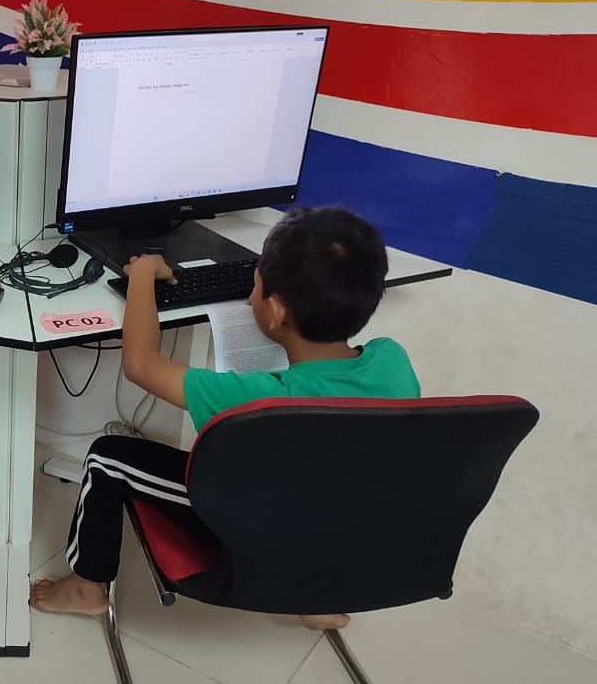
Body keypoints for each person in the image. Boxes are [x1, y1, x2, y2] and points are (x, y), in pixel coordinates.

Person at [30, 206, 420, 630]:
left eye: (255, 287)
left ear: (276, 312)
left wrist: (141, 276)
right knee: (330, 484)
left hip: (264, 537)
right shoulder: (392, 360)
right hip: (348, 539)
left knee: (107, 457)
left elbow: (140, 364)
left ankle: (86, 588)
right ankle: (317, 595)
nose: (250, 298)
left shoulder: (259, 399)